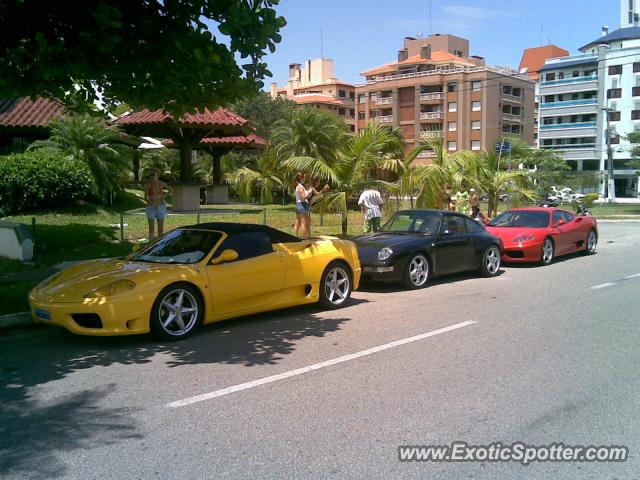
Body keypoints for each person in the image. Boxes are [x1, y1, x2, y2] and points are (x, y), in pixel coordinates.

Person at [144, 170, 173, 240]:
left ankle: (160, 245)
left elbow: (171, 190)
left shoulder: (161, 183)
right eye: (151, 174)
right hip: (151, 207)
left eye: (154, 174)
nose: (152, 176)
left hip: (160, 206)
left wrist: (163, 196)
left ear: (157, 175)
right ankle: (150, 245)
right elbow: (145, 197)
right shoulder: (148, 184)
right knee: (151, 228)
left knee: (160, 228)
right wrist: (152, 203)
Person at [293, 172, 312, 237]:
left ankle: (295, 237)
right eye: (304, 177)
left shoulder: (297, 186)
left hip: (298, 205)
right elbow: (303, 197)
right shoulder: (300, 187)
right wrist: (309, 192)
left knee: (297, 223)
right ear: (301, 178)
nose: (305, 179)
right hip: (302, 205)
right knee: (304, 223)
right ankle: (305, 238)